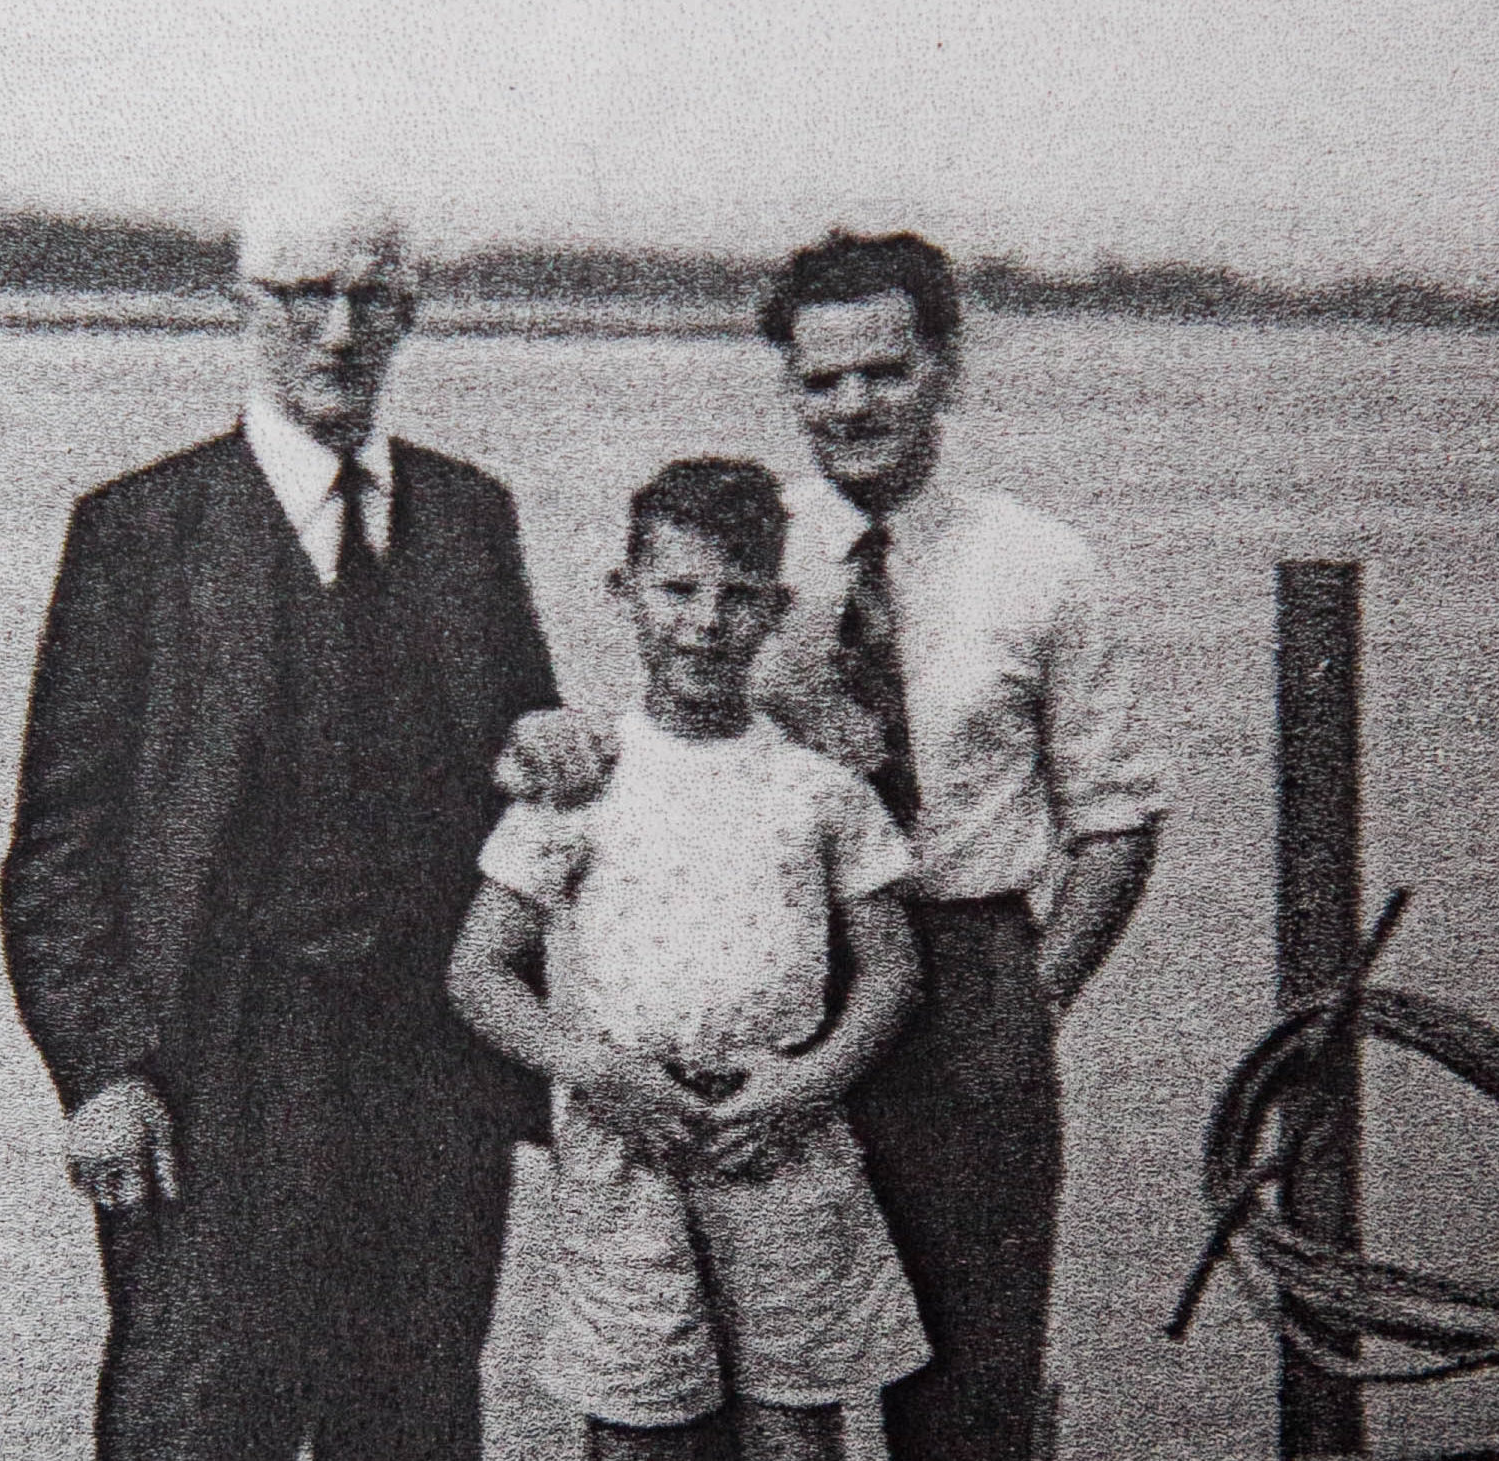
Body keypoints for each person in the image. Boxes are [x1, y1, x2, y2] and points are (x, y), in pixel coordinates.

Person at [499, 232, 1165, 1461]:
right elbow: (647, 737)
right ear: (789, 388)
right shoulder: (745, 546)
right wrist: (541, 737)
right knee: (737, 1373)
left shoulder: (1041, 563)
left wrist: (1029, 995)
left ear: (945, 369)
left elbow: (1117, 818)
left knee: (972, 1366)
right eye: (819, 380)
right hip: (761, 976)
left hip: (965, 963)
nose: (852, 404)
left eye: (884, 371)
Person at [0, 194, 558, 1460]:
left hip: (427, 1077)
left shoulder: (472, 519)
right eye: (303, 296)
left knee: (413, 1424)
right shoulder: (139, 530)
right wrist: (101, 1072)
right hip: (207, 1079)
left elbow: (520, 763)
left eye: (371, 298)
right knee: (192, 1420)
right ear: (241, 310)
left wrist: (553, 745)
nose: (339, 330)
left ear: (409, 314)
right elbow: (58, 852)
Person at [451, 459, 931, 1461]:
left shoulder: (819, 787)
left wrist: (812, 1082)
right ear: (624, 595)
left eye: (738, 596)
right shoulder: (580, 780)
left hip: (782, 1130)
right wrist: (592, 1069)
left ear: (775, 609)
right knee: (635, 1424)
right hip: (625, 1136)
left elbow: (892, 971)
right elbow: (478, 972)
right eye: (676, 590)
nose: (705, 623)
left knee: (796, 1426)